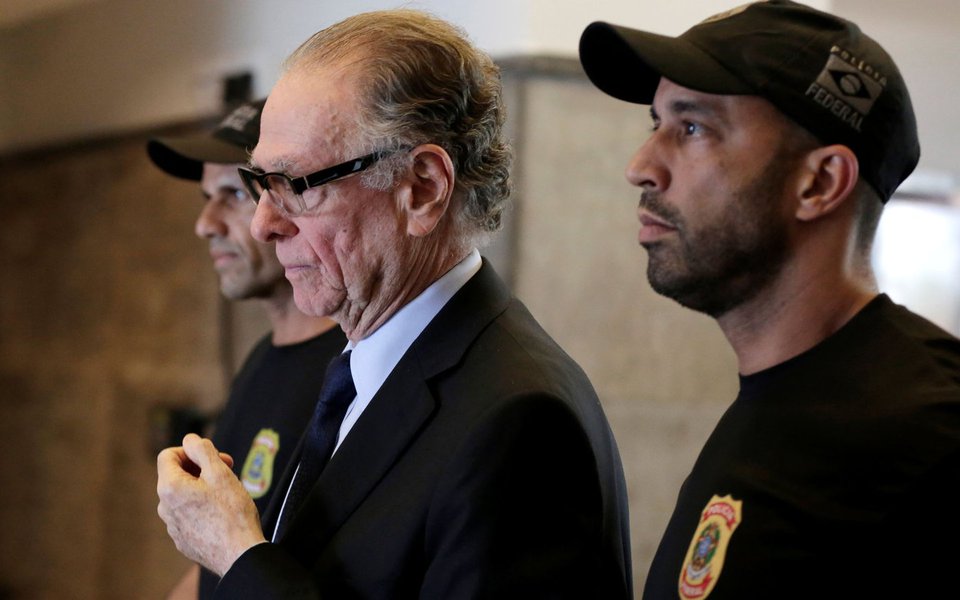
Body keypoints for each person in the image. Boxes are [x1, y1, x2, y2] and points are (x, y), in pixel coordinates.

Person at [156, 10, 632, 599]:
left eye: (296, 185)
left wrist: (236, 554)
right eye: (262, 184)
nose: (263, 224)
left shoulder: (520, 421)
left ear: (422, 188)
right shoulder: (366, 369)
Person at [579, 1, 960, 598]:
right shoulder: (770, 401)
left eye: (693, 127)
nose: (641, 167)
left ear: (819, 183)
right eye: (656, 124)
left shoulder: (931, 430)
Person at [147, 100, 346, 599]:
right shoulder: (262, 359)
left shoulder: (353, 373)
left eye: (234, 194)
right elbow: (216, 568)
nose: (205, 224)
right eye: (207, 197)